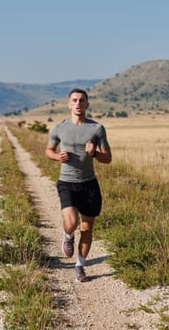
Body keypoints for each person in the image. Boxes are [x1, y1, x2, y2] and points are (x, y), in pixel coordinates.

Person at [45, 88, 112, 282]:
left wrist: (95, 154)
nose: (78, 104)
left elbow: (108, 158)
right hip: (67, 182)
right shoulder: (59, 128)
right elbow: (48, 151)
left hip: (89, 184)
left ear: (87, 105)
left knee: (87, 229)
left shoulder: (97, 129)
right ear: (68, 104)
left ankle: (80, 266)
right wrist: (58, 156)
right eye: (74, 100)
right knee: (72, 223)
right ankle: (67, 235)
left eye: (81, 101)